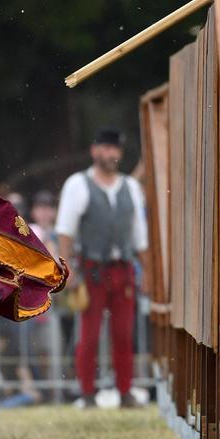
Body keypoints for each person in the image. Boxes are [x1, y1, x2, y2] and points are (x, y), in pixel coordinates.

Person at [55, 128, 148, 408]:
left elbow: (139, 236)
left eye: (115, 149)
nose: (111, 154)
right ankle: (87, 392)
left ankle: (125, 390)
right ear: (95, 151)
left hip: (123, 269)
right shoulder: (78, 184)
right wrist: (67, 268)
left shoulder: (130, 187)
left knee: (123, 333)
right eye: (106, 148)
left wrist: (150, 273)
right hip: (92, 269)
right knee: (90, 334)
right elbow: (65, 232)